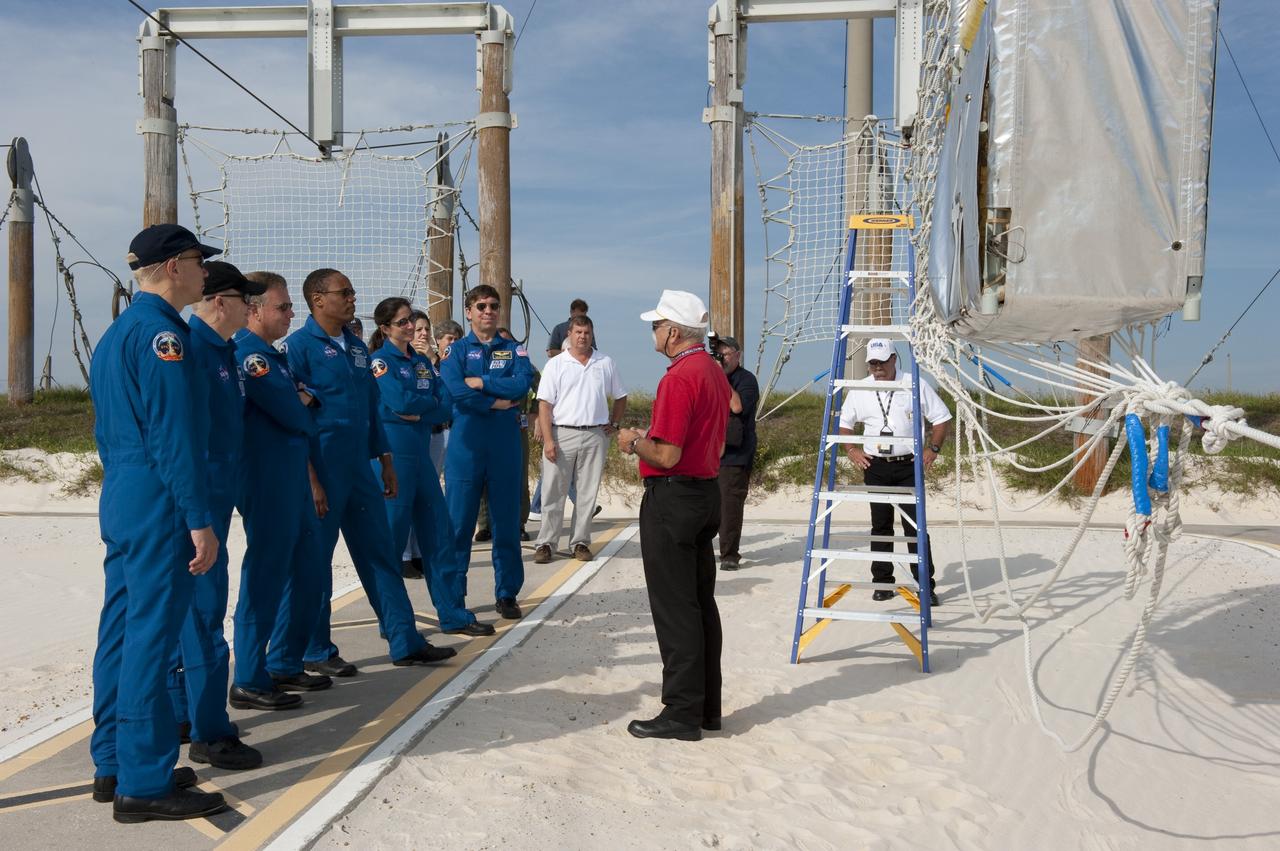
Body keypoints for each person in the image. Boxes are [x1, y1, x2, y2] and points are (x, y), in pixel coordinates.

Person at [89, 223, 228, 822]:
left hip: (125, 488)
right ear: (174, 266)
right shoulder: (163, 337)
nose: (204, 273)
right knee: (152, 631)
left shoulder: (118, 331)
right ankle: (144, 782)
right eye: (199, 262)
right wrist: (198, 518)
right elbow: (174, 436)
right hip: (159, 494)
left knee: (121, 624)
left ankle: (114, 759)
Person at [285, 268, 456, 675]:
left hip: (362, 469)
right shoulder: (298, 348)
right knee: (316, 561)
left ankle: (404, 639)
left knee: (380, 553)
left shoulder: (358, 349)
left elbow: (370, 409)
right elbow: (294, 418)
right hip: (323, 469)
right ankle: (315, 650)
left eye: (353, 291)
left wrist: (385, 459)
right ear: (318, 300)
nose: (351, 298)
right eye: (343, 292)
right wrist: (310, 478)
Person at [617, 290, 731, 742]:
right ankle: (706, 708)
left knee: (675, 608)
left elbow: (666, 454)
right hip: (704, 492)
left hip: (674, 495)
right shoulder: (715, 372)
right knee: (700, 604)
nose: (654, 332)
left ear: (674, 332)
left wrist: (633, 441)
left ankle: (682, 712)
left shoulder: (680, 377)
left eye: (657, 325)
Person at [166, 261, 265, 772]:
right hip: (199, 500)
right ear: (219, 302)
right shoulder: (193, 351)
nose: (253, 309)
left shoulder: (224, 349)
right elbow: (185, 440)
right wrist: (197, 512)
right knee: (203, 613)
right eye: (245, 300)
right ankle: (209, 731)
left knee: (191, 611)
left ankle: (183, 714)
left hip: (218, 494)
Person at [231, 272, 333, 711]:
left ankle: (284, 662)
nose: (291, 313)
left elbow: (306, 401)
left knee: (306, 571)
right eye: (283, 306)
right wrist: (301, 399)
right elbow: (295, 410)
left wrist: (302, 398)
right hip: (267, 478)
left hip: (291, 475)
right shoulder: (249, 355)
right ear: (254, 310)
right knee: (266, 576)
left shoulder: (275, 357)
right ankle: (250, 676)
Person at [368, 297, 495, 637]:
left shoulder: (422, 363)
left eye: (411, 320)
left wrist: (421, 411)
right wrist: (426, 407)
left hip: (421, 454)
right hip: (392, 459)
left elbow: (447, 404)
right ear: (385, 329)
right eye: (402, 322)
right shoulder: (380, 362)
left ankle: (453, 613)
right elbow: (398, 402)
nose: (410, 327)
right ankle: (392, 622)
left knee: (439, 535)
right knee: (391, 542)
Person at [438, 286, 534, 621]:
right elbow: (457, 392)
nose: (488, 311)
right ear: (468, 311)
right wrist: (494, 399)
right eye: (481, 306)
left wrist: (480, 381)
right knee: (459, 524)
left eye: (494, 306)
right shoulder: (456, 351)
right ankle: (453, 595)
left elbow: (522, 385)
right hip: (467, 443)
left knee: (506, 523)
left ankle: (507, 593)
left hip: (504, 443)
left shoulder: (514, 350)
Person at [837, 338, 951, 606]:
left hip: (908, 464)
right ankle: (882, 583)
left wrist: (933, 448)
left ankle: (925, 586)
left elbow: (942, 418)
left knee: (915, 527)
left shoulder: (915, 383)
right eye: (872, 363)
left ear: (893, 359)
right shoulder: (859, 389)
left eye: (881, 362)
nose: (877, 368)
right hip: (875, 465)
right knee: (881, 525)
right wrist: (852, 450)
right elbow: (844, 424)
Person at [533, 315, 627, 564]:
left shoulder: (605, 362)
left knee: (587, 492)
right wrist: (549, 440)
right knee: (554, 491)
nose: (582, 336)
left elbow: (621, 396)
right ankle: (546, 543)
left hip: (595, 434)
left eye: (586, 332)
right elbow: (544, 405)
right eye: (578, 332)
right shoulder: (556, 364)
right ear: (569, 335)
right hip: (562, 432)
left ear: (592, 334)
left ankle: (581, 542)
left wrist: (614, 424)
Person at [475, 326, 533, 543]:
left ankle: (518, 523)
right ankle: (484, 524)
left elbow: (529, 387)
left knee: (518, 477)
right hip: (486, 424)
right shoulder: (482, 363)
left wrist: (533, 412)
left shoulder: (523, 361)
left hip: (517, 425)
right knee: (483, 478)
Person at [713, 336, 759, 571]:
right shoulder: (711, 377)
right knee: (708, 504)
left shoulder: (746, 380)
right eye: (718, 354)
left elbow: (737, 406)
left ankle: (730, 553)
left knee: (729, 504)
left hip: (735, 454)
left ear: (738, 355)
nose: (722, 358)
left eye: (726, 354)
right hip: (710, 450)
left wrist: (720, 376)